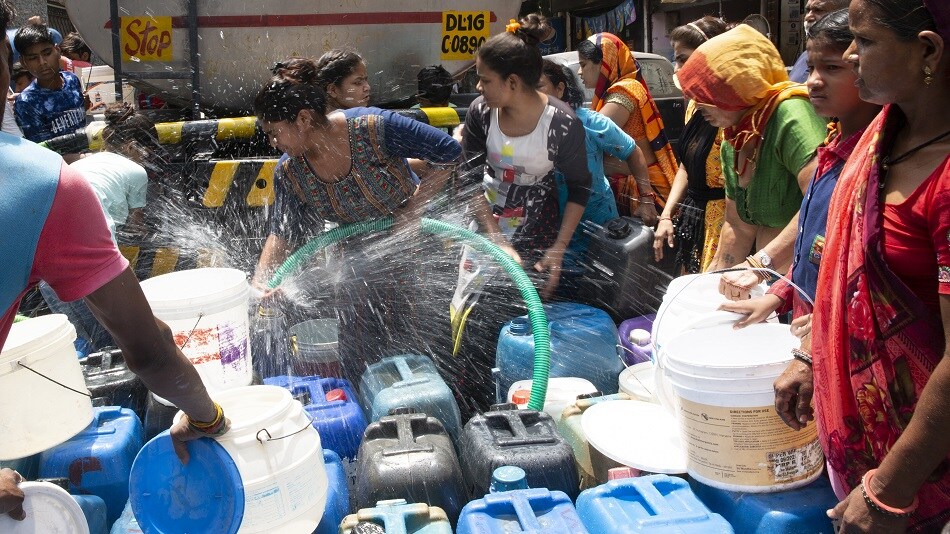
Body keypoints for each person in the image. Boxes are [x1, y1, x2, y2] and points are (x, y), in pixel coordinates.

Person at [0, 2, 225, 518]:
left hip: (62, 270)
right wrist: (206, 416)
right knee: (110, 342)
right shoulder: (44, 180)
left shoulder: (78, 165)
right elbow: (150, 352)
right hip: (70, 271)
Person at [778, 0, 950, 531]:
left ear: (927, 50)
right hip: (874, 458)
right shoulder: (881, 139)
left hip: (922, 475)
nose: (851, 56)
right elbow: (843, 276)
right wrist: (811, 353)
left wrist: (889, 492)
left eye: (865, 41)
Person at [251, 58, 461, 386]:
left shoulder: (374, 126)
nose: (272, 143)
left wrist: (412, 211)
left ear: (304, 119)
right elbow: (283, 231)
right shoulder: (290, 172)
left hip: (416, 249)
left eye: (274, 133)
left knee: (424, 350)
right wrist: (262, 282)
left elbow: (448, 152)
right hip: (356, 265)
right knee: (360, 353)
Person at [451, 14, 591, 414]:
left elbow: (580, 189)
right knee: (472, 314)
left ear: (512, 82)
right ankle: (474, 405)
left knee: (522, 317)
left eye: (484, 79)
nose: (478, 87)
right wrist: (496, 239)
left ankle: (524, 406)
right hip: (485, 225)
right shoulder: (481, 112)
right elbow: (466, 181)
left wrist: (558, 251)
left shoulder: (561, 124)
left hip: (538, 231)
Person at [721, 10, 881, 328]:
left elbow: (869, 271)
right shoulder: (833, 146)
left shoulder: (877, 161)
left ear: (867, 69)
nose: (813, 81)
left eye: (832, 68)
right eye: (810, 68)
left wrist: (832, 320)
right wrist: (777, 295)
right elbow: (817, 245)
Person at [676, 24, 827, 299]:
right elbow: (738, 226)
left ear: (734, 87)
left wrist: (759, 265)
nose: (696, 104)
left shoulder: (791, 115)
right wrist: (711, 282)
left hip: (805, 281)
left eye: (705, 93)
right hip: (768, 282)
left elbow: (822, 202)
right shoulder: (735, 135)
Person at [37, 102, 158, 351]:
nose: (149, 157)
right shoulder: (136, 171)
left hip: (46, 266)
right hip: (88, 270)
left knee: (93, 344)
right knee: (116, 344)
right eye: (147, 149)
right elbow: (137, 229)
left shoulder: (81, 164)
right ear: (132, 146)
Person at [536, 59, 650, 270]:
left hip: (599, 223)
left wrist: (647, 200)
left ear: (560, 89)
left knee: (602, 286)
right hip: (550, 232)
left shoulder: (589, 123)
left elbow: (633, 152)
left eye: (538, 87)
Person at [653, 16, 730, 273]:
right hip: (693, 219)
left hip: (725, 226)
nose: (677, 69)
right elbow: (686, 167)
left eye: (684, 59)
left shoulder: (734, 114)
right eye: (676, 59)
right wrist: (667, 216)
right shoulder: (695, 107)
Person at [577, 32, 676, 220]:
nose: (580, 72)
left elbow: (590, 137)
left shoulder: (624, 91)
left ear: (605, 64)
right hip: (629, 189)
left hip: (642, 194)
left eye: (583, 65)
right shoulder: (615, 91)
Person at [13, 22, 86, 142]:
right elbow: (43, 152)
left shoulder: (72, 80)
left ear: (57, 50)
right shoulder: (27, 103)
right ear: (23, 62)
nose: (42, 62)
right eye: (33, 58)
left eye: (47, 53)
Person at [788, 0, 850, 83]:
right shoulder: (806, 56)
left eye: (818, 10)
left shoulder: (852, 56)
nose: (808, 17)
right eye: (808, 10)